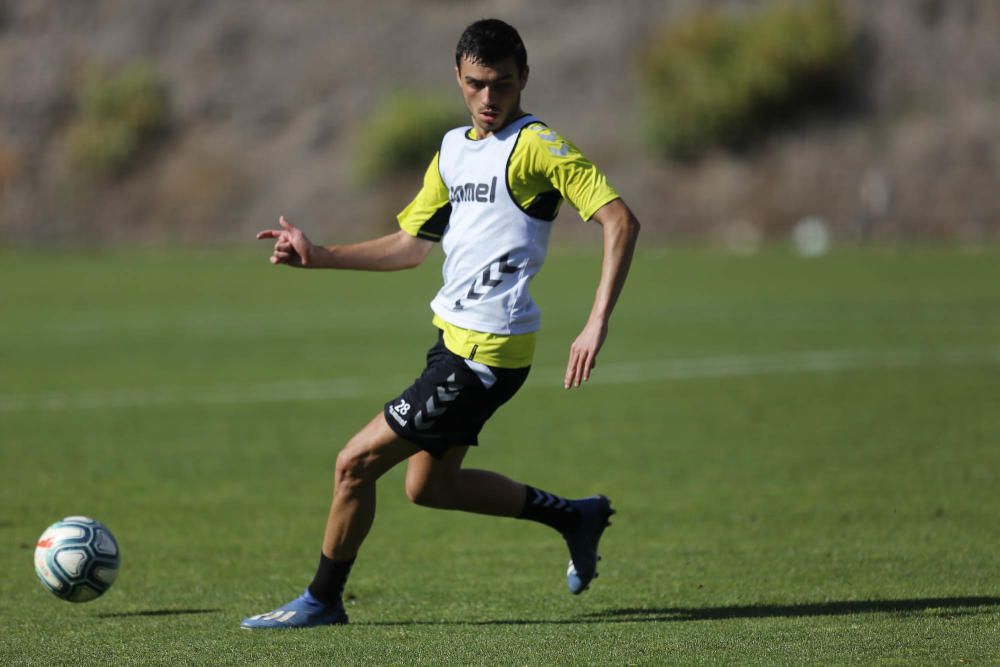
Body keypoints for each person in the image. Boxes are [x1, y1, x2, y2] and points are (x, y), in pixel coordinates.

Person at [241, 18, 640, 629]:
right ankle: (574, 517)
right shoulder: (454, 150)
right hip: (451, 346)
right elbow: (408, 245)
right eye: (477, 84)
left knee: (354, 464)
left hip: (486, 356)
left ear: (524, 78)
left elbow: (619, 220)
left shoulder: (537, 145)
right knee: (429, 488)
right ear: (457, 77)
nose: (489, 99)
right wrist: (317, 254)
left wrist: (595, 323)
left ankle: (323, 599)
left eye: (503, 84)